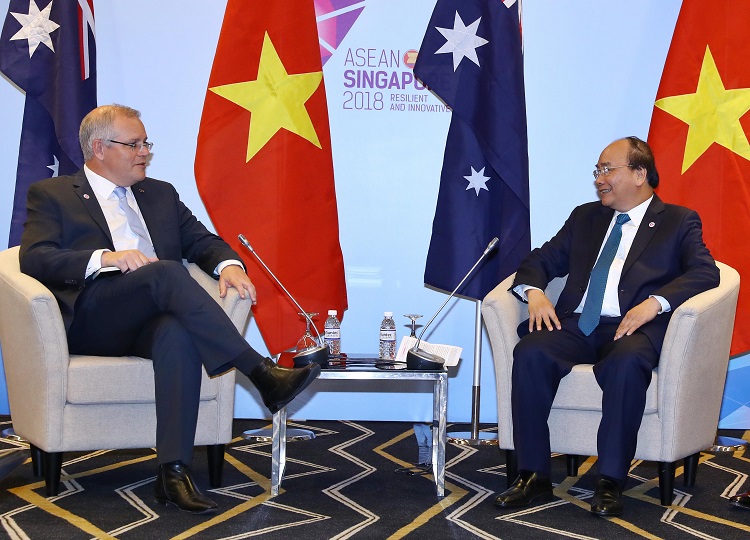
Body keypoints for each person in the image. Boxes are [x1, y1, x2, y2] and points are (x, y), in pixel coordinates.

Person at [19, 104, 322, 515]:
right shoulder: (53, 193)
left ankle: (174, 473)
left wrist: (229, 266)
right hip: (93, 316)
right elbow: (35, 258)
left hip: (151, 315)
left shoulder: (159, 194)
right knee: (164, 271)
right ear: (99, 148)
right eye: (134, 144)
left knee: (177, 335)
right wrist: (105, 258)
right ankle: (261, 372)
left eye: (147, 143)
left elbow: (201, 241)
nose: (145, 152)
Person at [493, 136, 719, 517]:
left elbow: (705, 272)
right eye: (597, 171)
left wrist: (655, 303)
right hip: (577, 325)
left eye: (607, 170)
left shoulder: (678, 221)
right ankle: (533, 475)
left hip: (631, 329)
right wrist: (534, 293)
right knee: (530, 351)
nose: (599, 179)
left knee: (627, 363)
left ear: (639, 174)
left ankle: (610, 481)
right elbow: (539, 260)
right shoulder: (586, 218)